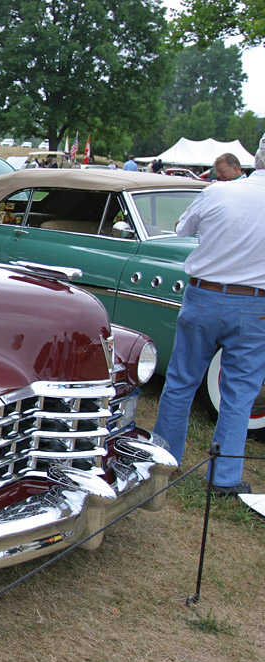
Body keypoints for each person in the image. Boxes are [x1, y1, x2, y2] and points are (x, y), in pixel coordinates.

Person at [152, 140, 265, 496]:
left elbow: (183, 229)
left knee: (181, 380)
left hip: (204, 293)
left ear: (255, 160)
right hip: (255, 303)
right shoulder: (220, 189)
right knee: (240, 392)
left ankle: (163, 459)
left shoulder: (219, 191)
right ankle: (224, 477)